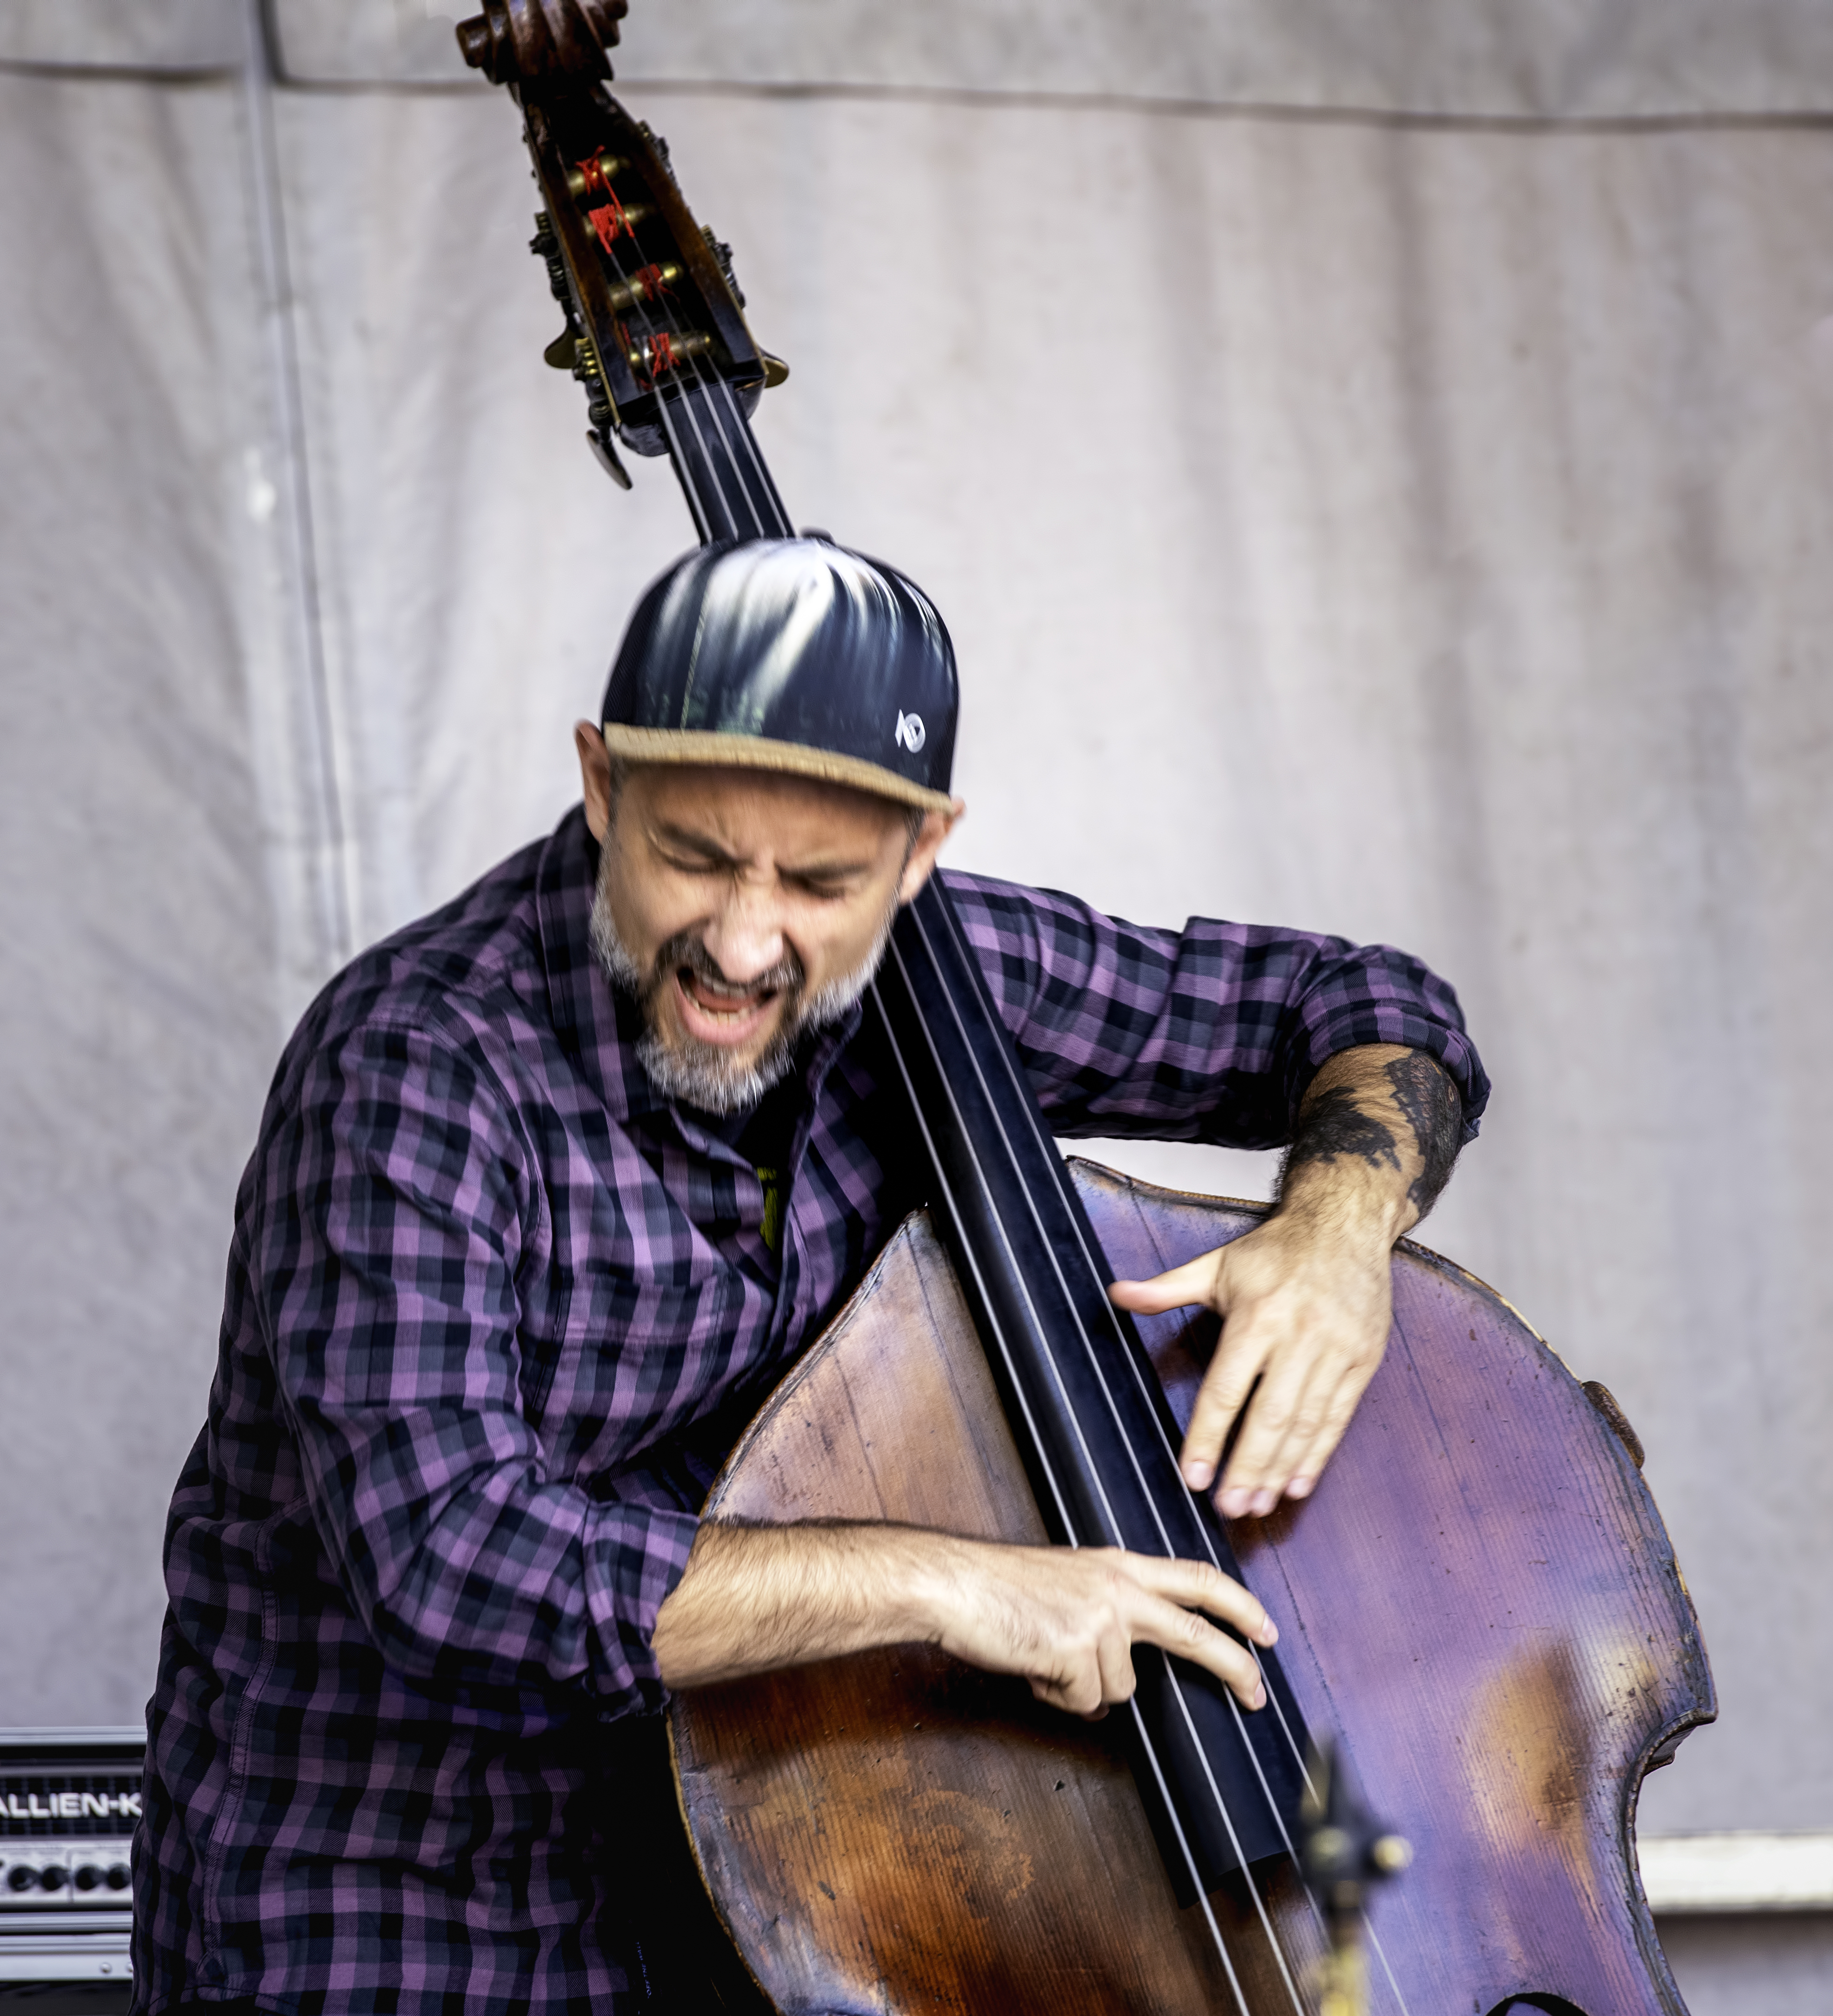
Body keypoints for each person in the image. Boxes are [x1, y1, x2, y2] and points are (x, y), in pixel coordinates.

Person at [130, 538, 1486, 2016]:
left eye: (821, 881)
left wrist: (1342, 1235)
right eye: (691, 856)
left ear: (921, 851)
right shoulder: (413, 1068)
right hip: (390, 1902)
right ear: (601, 785)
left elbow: (1364, 1004)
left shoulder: (945, 976)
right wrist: (955, 1587)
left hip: (770, 1874)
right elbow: (452, 1560)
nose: (742, 939)